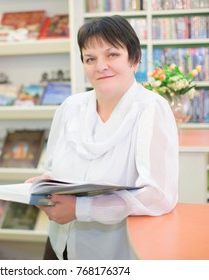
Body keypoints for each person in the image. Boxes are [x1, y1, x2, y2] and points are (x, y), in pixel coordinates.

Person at [25, 15, 179, 260]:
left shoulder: (151, 109)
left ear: (135, 59)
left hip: (111, 254)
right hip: (58, 243)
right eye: (90, 58)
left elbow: (158, 196)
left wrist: (81, 209)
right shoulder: (70, 107)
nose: (100, 66)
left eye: (112, 55)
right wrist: (45, 184)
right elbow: (54, 169)